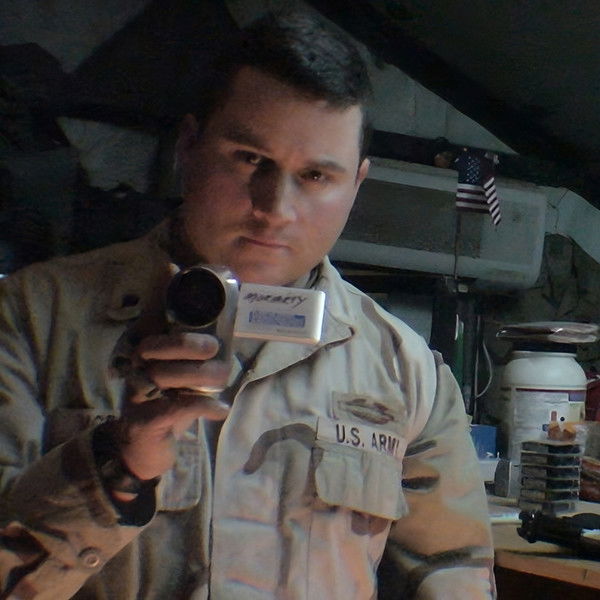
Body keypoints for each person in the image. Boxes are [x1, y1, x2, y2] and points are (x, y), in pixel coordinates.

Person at [0, 11, 495, 599]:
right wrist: (115, 468)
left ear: (357, 184)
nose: (275, 208)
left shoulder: (407, 373)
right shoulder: (33, 320)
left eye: (316, 175)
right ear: (188, 147)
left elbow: (455, 574)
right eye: (250, 159)